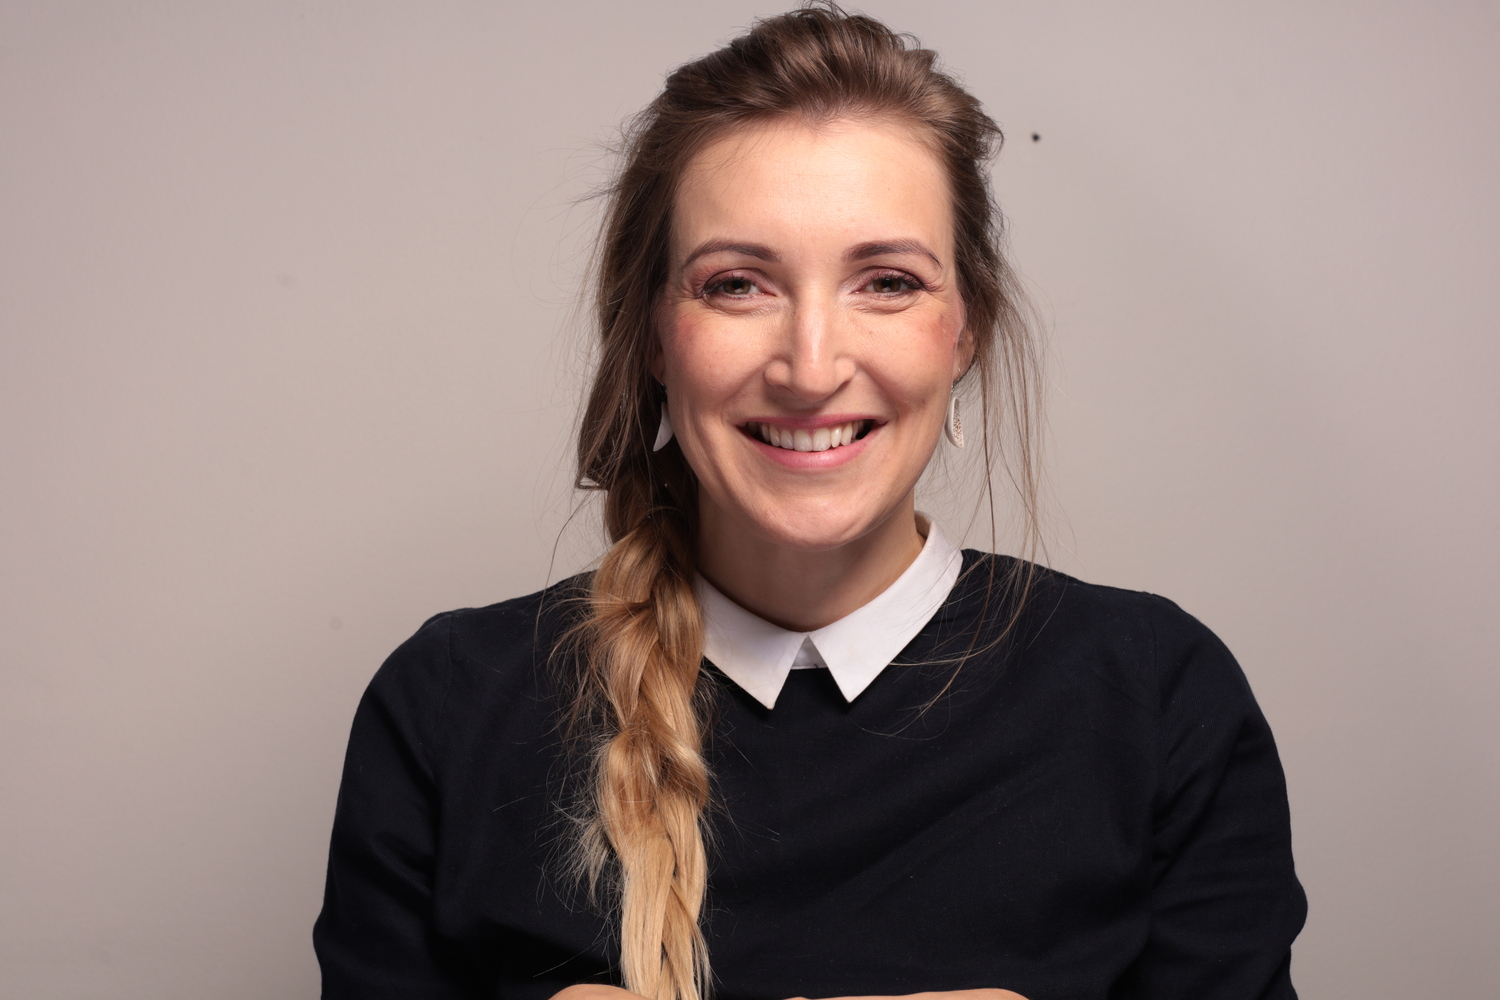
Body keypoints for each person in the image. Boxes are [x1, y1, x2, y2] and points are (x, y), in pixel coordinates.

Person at [312, 5, 1306, 1000]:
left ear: (965, 329)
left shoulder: (1158, 699)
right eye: (738, 285)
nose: (812, 366)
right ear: (653, 335)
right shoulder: (448, 709)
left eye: (887, 282)